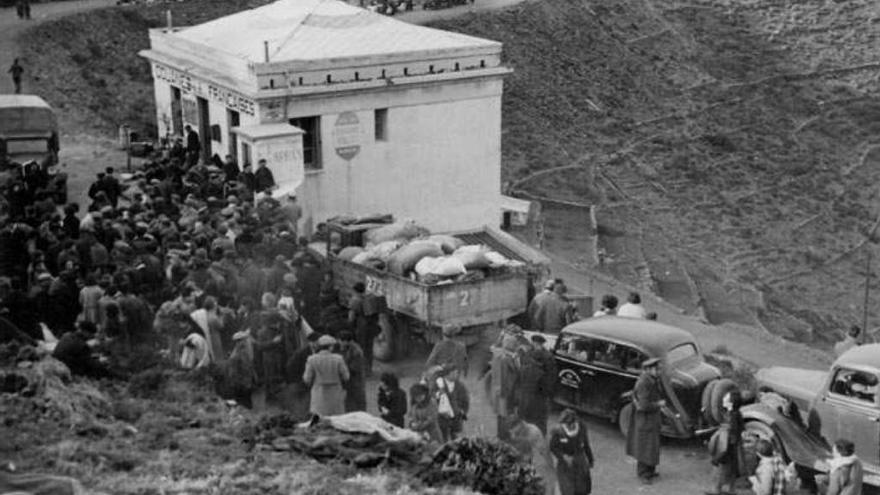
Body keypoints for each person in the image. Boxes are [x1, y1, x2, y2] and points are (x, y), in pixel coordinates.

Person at [625, 357, 665, 483]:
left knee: (651, 446)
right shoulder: (644, 383)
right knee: (644, 447)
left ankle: (650, 470)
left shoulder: (652, 380)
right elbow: (643, 405)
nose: (659, 371)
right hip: (645, 420)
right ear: (648, 370)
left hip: (651, 420)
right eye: (656, 369)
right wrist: (658, 404)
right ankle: (643, 474)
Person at [706, 390, 744, 495]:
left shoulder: (731, 417)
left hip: (727, 448)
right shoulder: (737, 414)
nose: (723, 399)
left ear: (730, 403)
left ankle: (716, 490)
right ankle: (731, 490)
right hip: (733, 447)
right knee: (731, 470)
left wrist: (719, 456)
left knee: (720, 469)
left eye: (726, 398)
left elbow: (728, 437)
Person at [549, 409, 595, 495]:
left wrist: (590, 459)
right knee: (567, 490)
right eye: (566, 424)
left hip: (580, 464)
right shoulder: (558, 431)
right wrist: (563, 456)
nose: (569, 426)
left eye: (571, 424)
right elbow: (553, 447)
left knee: (582, 490)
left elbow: (586, 444)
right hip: (565, 466)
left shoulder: (582, 427)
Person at [303, 335, 349, 416]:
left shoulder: (312, 359)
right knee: (336, 418)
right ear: (330, 347)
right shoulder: (338, 359)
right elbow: (346, 377)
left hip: (318, 391)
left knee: (319, 417)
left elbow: (307, 379)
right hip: (335, 391)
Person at [509, 415, 556, 495]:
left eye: (515, 431)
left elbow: (543, 452)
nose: (513, 434)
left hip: (537, 466)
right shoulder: (515, 432)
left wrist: (551, 467)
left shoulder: (533, 432)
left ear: (520, 424)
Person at [487, 333, 520, 441]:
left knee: (500, 415)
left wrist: (500, 337)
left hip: (497, 389)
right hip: (504, 390)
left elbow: (493, 347)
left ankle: (500, 434)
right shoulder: (506, 359)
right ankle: (504, 436)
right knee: (504, 414)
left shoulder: (497, 353)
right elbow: (505, 377)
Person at [348, 282, 380, 374]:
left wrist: (350, 327)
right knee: (369, 349)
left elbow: (351, 317)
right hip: (371, 326)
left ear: (355, 290)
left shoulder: (355, 300)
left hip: (361, 327)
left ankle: (362, 370)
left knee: (360, 349)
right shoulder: (371, 298)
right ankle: (369, 369)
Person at [433, 367, 469, 442]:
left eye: (457, 373)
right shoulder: (438, 383)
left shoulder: (460, 385)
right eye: (454, 373)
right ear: (447, 374)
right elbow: (431, 396)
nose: (456, 375)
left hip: (456, 415)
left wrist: (463, 411)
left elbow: (465, 400)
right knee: (443, 437)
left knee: (456, 438)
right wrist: (439, 393)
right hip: (442, 416)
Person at [337, 330, 367, 412]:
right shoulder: (348, 348)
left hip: (356, 382)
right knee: (349, 404)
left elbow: (354, 368)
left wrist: (341, 368)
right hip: (351, 382)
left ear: (346, 341)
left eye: (340, 341)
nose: (339, 343)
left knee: (357, 405)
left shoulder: (356, 351)